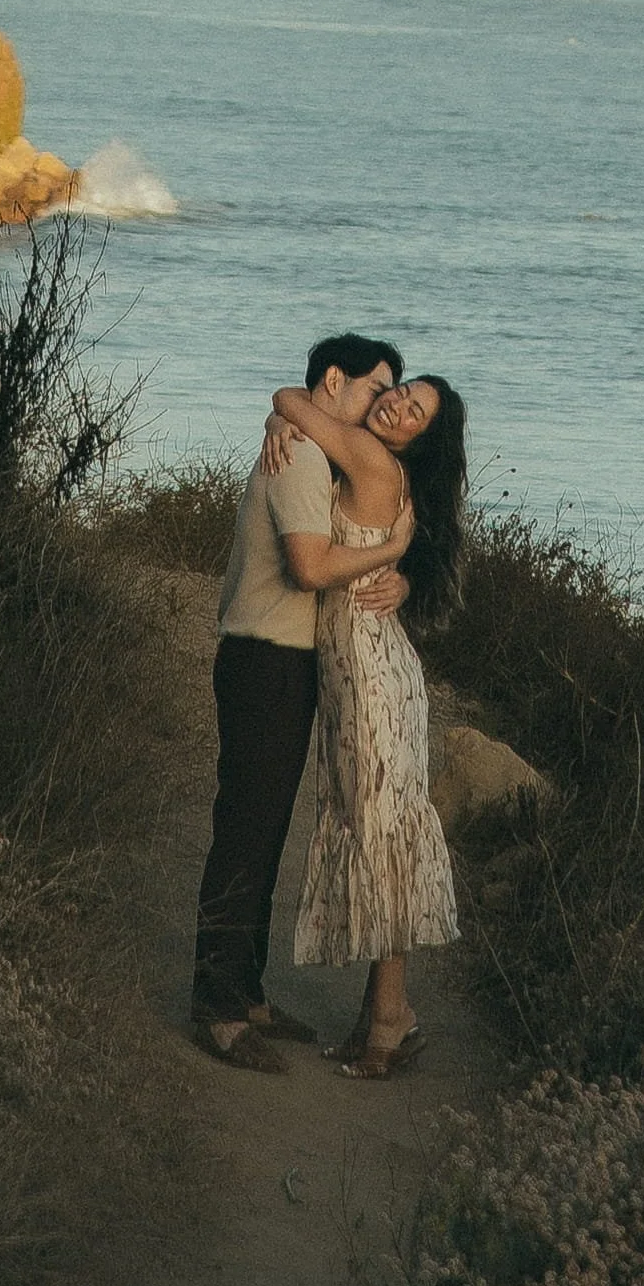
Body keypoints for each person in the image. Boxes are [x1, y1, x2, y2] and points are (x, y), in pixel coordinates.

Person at [190, 334, 414, 1072]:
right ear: (331, 381)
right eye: (373, 390)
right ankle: (218, 1010)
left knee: (265, 830)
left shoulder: (310, 445)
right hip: (263, 659)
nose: (380, 404)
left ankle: (244, 991)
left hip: (287, 663)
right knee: (244, 831)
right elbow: (310, 566)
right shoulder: (301, 457)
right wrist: (390, 553)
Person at [273, 368, 469, 1078]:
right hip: (364, 674)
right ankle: (377, 1017)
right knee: (376, 835)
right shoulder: (378, 464)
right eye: (398, 393)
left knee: (382, 841)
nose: (395, 406)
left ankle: (391, 1023)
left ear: (421, 438)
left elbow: (289, 398)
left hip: (372, 683)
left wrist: (282, 417)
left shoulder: (370, 460)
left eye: (412, 411)